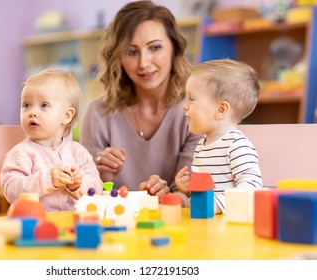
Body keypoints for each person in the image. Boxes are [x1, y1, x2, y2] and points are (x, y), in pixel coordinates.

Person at [80, 0, 202, 207]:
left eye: (155, 48)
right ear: (118, 57)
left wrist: (166, 198)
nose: (144, 63)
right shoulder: (97, 113)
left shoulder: (196, 111)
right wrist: (101, 177)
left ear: (174, 48)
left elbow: (192, 194)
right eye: (132, 51)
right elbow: (86, 195)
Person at [0, 69, 103, 212]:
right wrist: (46, 180)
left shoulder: (79, 152)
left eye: (44, 105)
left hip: (75, 223)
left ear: (66, 116)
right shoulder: (20, 153)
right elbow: (11, 191)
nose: (32, 112)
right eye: (26, 105)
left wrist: (79, 185)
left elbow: (97, 188)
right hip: (36, 224)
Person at [175, 59, 263, 214]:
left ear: (221, 110)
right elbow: (208, 193)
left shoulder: (237, 145)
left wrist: (216, 204)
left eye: (192, 99)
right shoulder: (202, 146)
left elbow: (252, 188)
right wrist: (189, 190)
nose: (185, 105)